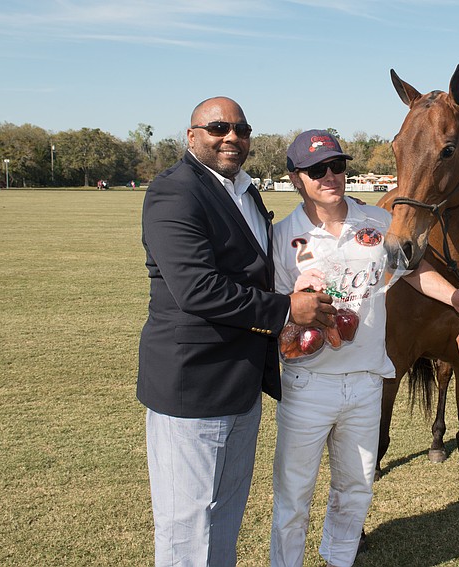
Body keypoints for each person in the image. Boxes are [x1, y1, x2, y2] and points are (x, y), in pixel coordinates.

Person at [138, 98, 336, 567]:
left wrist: (298, 282)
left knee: (225, 511)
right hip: (194, 383)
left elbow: (252, 270)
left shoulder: (244, 190)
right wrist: (288, 309)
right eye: (218, 127)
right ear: (191, 135)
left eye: (241, 128)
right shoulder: (175, 191)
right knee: (186, 524)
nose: (231, 137)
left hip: (242, 380)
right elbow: (197, 289)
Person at [270, 129, 459, 567]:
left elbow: (412, 270)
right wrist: (294, 306)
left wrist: (453, 297)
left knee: (354, 491)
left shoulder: (378, 222)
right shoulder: (281, 235)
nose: (329, 176)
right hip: (309, 383)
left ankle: (339, 561)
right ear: (296, 177)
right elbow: (271, 310)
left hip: (367, 380)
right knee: (294, 496)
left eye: (337, 166)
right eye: (316, 169)